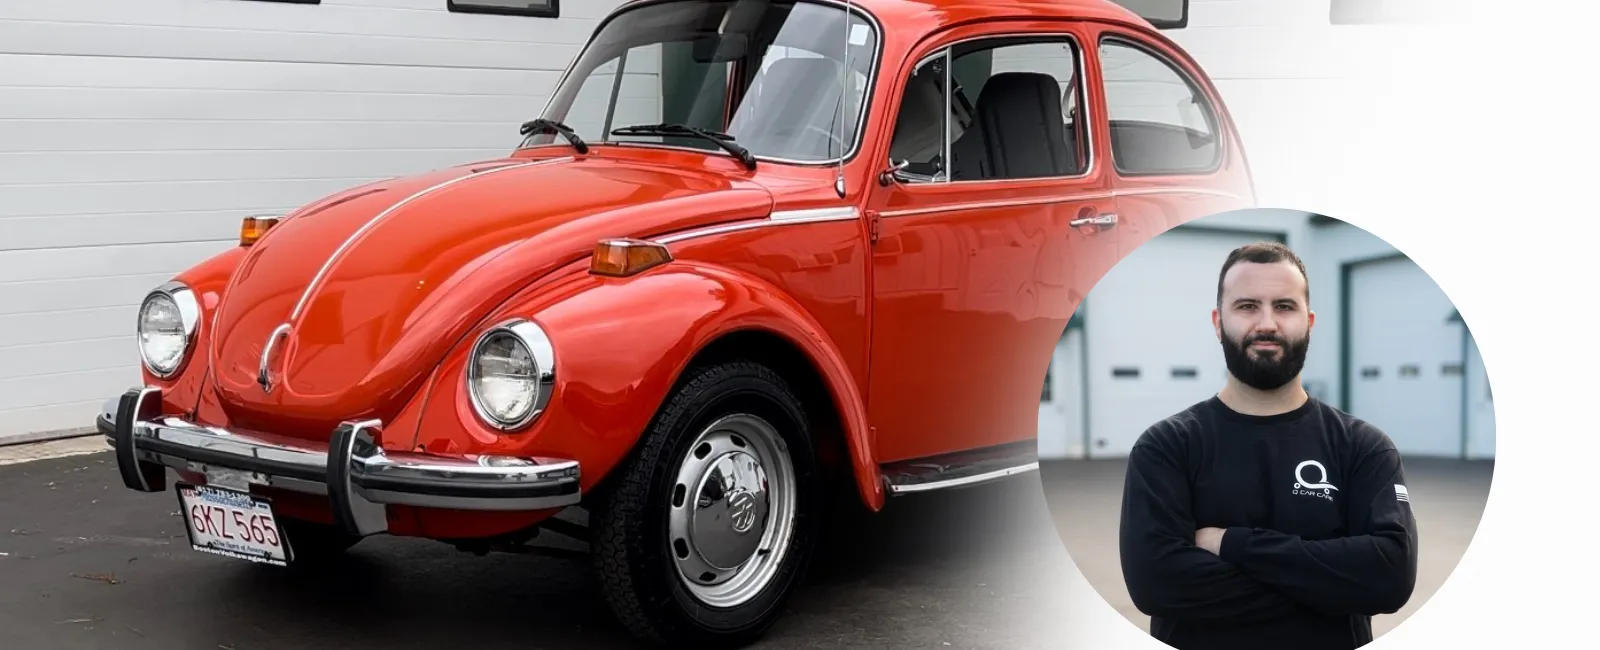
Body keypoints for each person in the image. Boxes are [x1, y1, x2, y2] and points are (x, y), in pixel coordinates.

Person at [1117, 241, 1419, 650]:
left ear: (1309, 321)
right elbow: (1155, 584)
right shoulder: (1167, 447)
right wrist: (1328, 583)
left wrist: (1231, 544)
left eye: (1284, 306)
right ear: (1217, 321)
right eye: (1246, 306)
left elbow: (1390, 575)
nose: (1266, 324)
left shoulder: (1362, 447)